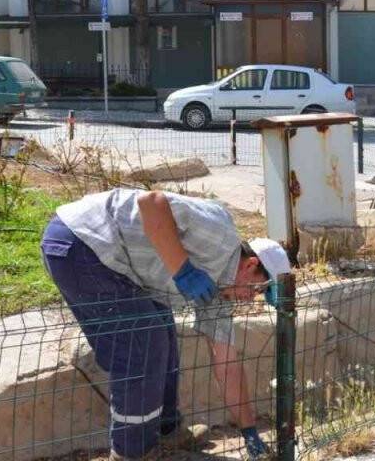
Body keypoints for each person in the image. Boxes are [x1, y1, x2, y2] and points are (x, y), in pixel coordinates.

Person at [41, 188, 289, 461]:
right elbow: (152, 202)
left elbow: (228, 366)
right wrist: (183, 269)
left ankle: (167, 431)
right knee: (143, 347)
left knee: (163, 335)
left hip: (119, 265)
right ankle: (132, 453)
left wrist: (249, 431)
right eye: (256, 289)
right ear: (251, 264)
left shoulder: (219, 295)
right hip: (82, 243)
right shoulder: (219, 235)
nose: (249, 298)